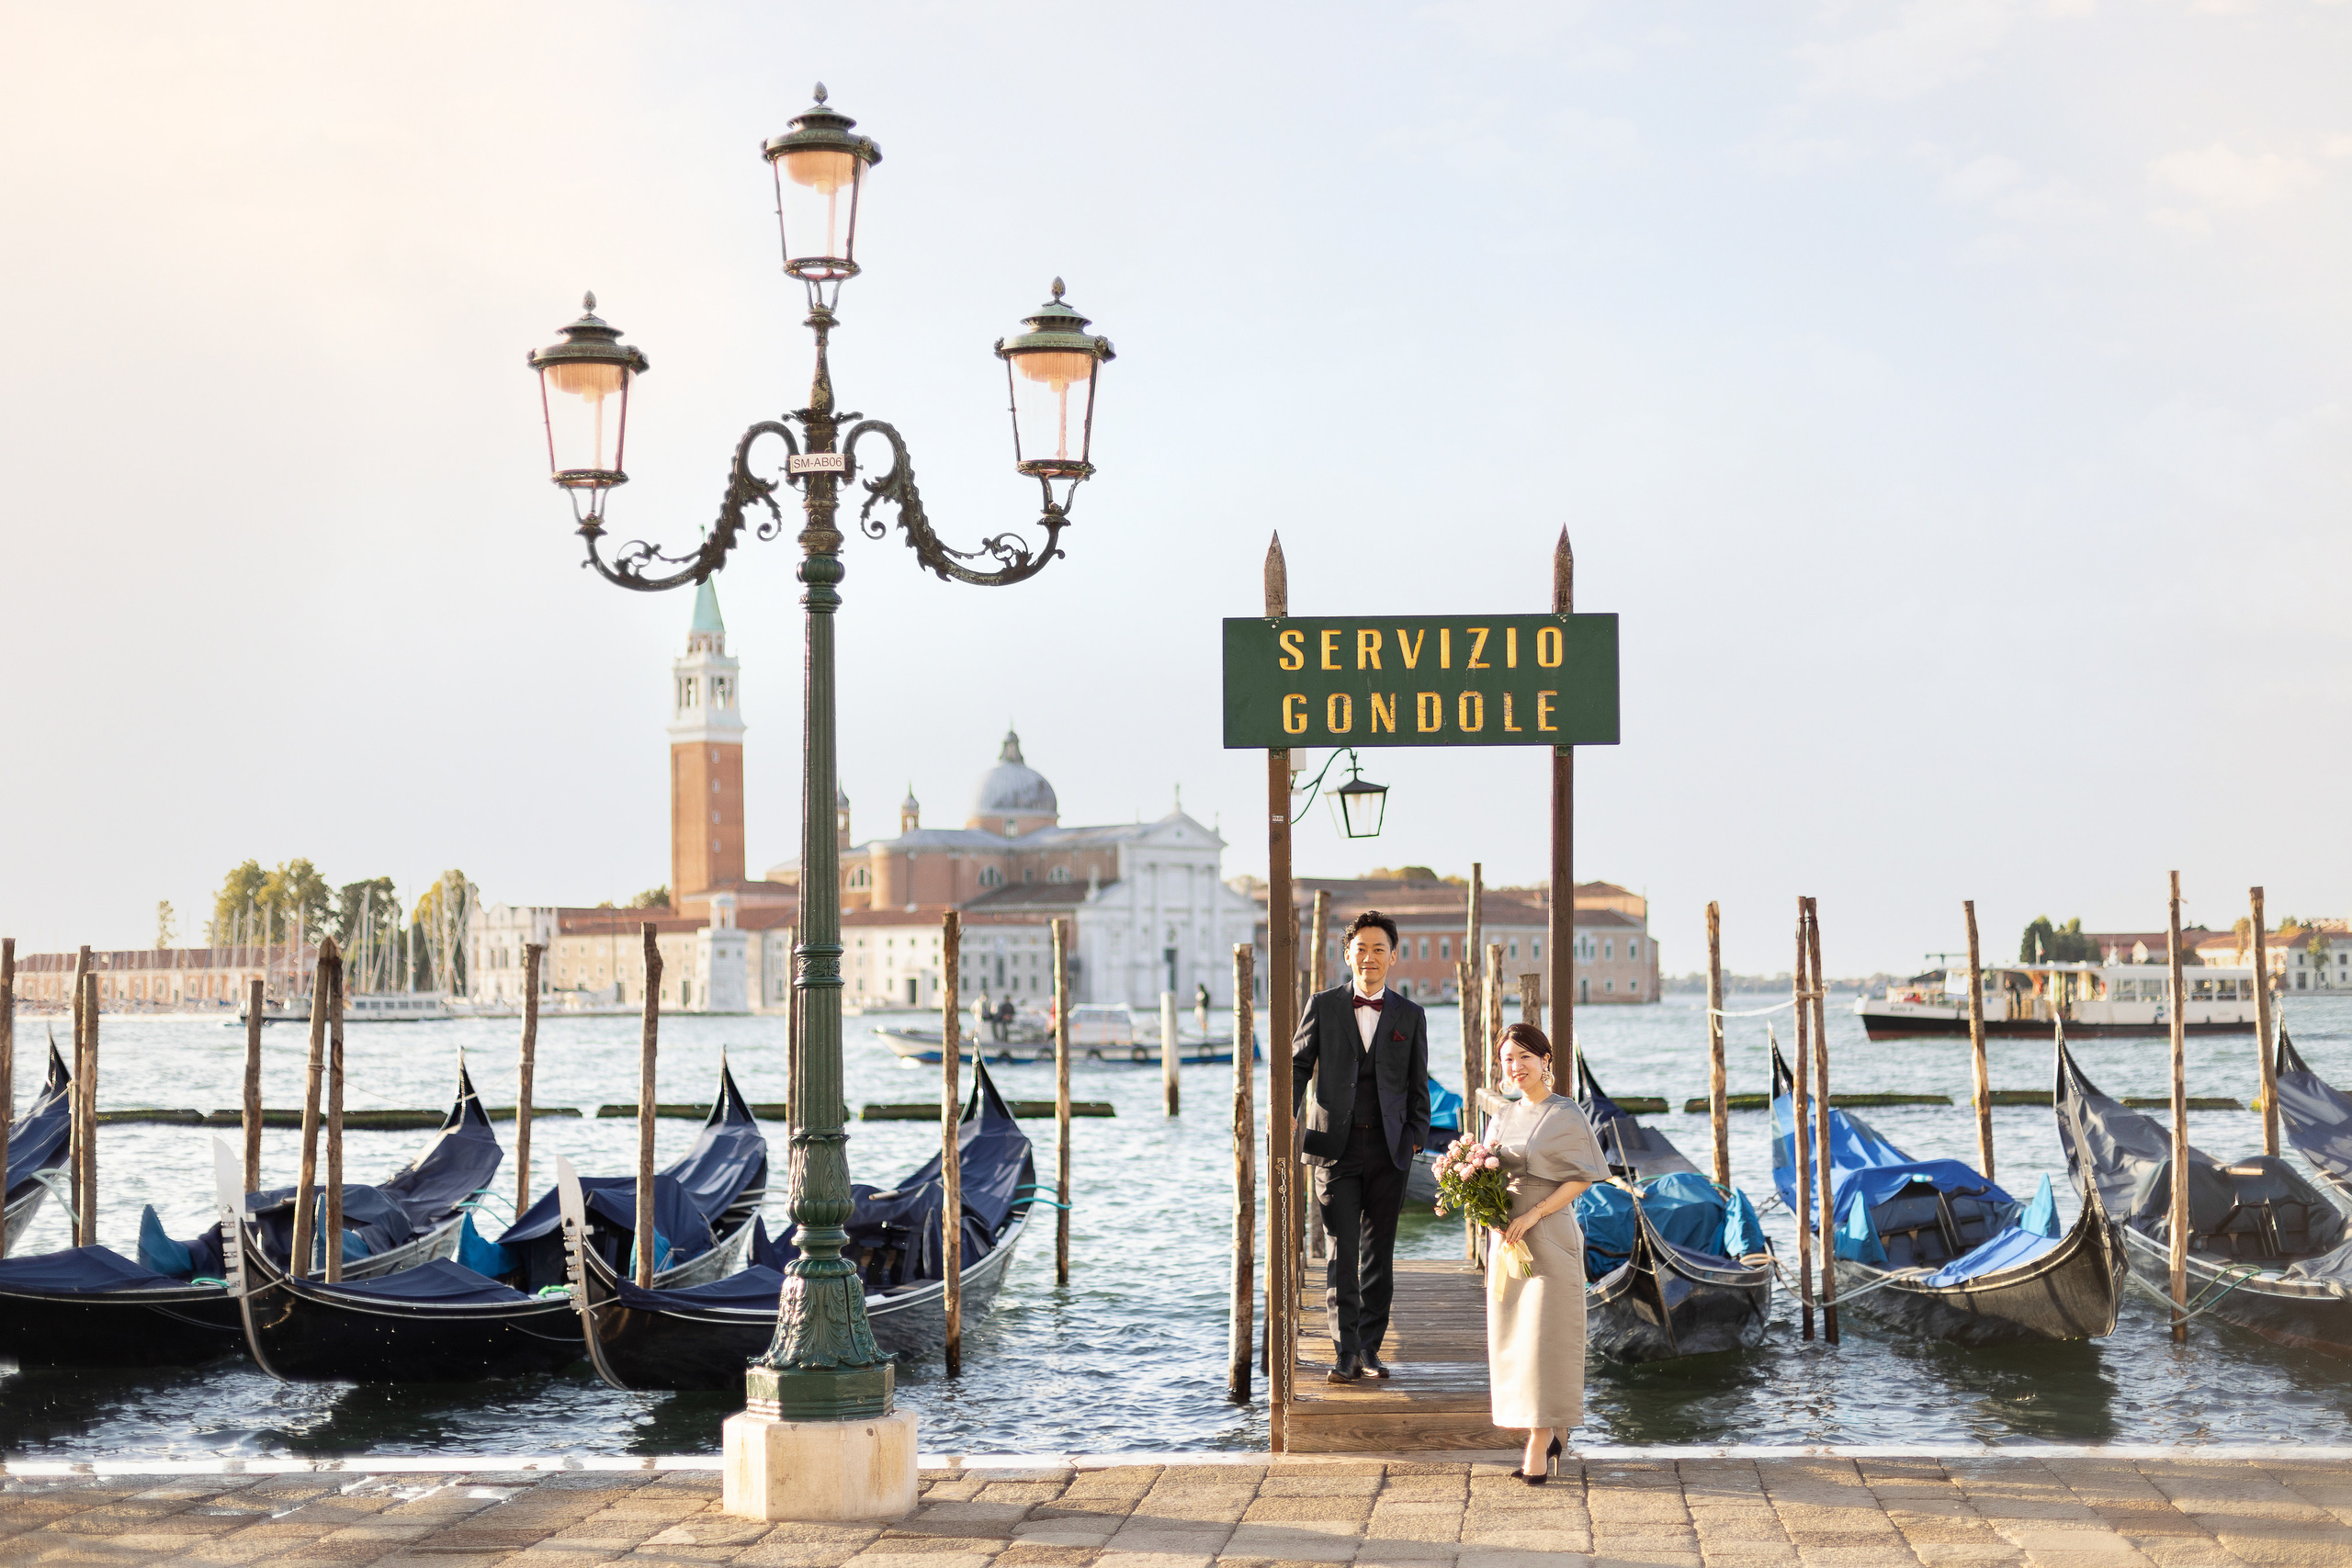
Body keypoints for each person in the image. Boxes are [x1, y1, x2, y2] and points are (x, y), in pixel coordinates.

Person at [1292, 909, 1430, 1383]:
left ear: (1392, 957)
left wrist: (1415, 1138)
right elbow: (1297, 1067)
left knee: (1378, 1254)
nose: (1369, 957)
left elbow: (1418, 1085)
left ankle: (1371, 1348)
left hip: (1391, 1150)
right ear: (1347, 955)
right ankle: (1345, 1352)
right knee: (1341, 1250)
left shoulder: (1410, 1015)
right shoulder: (1322, 1005)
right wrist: (1286, 1116)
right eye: (1361, 949)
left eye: (1379, 949)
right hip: (1335, 1148)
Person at [1481, 1022, 1607, 1483]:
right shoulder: (1502, 1115)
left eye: (1524, 1057)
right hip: (1507, 1239)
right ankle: (1545, 1431)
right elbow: (1485, 1170)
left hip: (1548, 1234)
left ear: (1545, 1061)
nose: (1516, 1067)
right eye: (1508, 1059)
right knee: (1514, 1340)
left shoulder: (1564, 1113)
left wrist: (1534, 1214)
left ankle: (1539, 1439)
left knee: (1546, 1339)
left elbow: (1582, 1178)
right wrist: (1485, 1209)